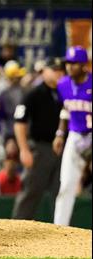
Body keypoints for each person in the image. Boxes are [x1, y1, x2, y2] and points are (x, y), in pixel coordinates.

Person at [12, 58, 65, 219]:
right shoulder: (33, 93)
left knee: (62, 193)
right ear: (44, 71)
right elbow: (19, 122)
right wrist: (24, 150)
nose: (57, 73)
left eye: (60, 70)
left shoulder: (65, 92)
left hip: (63, 150)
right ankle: (17, 228)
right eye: (53, 69)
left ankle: (63, 232)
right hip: (40, 149)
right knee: (31, 191)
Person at [53, 46, 92, 226]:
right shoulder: (63, 84)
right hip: (75, 136)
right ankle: (59, 230)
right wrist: (60, 133)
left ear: (84, 65)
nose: (69, 66)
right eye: (68, 62)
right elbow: (65, 109)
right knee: (66, 184)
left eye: (74, 63)